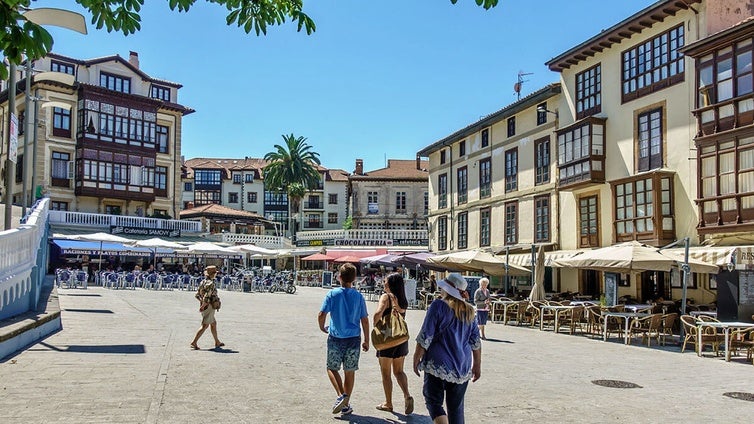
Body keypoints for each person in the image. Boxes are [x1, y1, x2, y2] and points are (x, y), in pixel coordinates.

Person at [413, 273, 482, 424]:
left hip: (438, 363)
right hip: (462, 366)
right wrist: (477, 365)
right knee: (456, 408)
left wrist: (416, 356)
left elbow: (426, 335)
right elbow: (476, 342)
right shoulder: (470, 311)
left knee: (433, 401)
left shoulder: (438, 305)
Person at [318, 263, 369, 417]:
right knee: (350, 371)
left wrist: (322, 327)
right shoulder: (359, 296)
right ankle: (345, 404)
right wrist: (367, 340)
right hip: (354, 338)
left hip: (336, 337)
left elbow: (322, 314)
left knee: (331, 368)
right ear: (354, 279)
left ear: (339, 277)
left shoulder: (332, 294)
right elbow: (365, 320)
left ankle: (342, 396)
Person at [373, 273, 414, 415]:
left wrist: (375, 322)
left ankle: (388, 403)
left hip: (387, 339)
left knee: (386, 373)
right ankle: (407, 395)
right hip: (401, 339)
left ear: (390, 284)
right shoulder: (402, 299)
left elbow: (378, 313)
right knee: (399, 371)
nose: (384, 283)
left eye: (385, 282)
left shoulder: (386, 297)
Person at [190, 265, 224, 350]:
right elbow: (207, 296)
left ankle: (217, 341)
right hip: (209, 306)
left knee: (213, 324)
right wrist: (204, 304)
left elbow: (197, 295)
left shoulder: (203, 282)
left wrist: (201, 303)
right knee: (205, 325)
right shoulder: (211, 283)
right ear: (213, 274)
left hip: (205, 305)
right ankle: (194, 342)